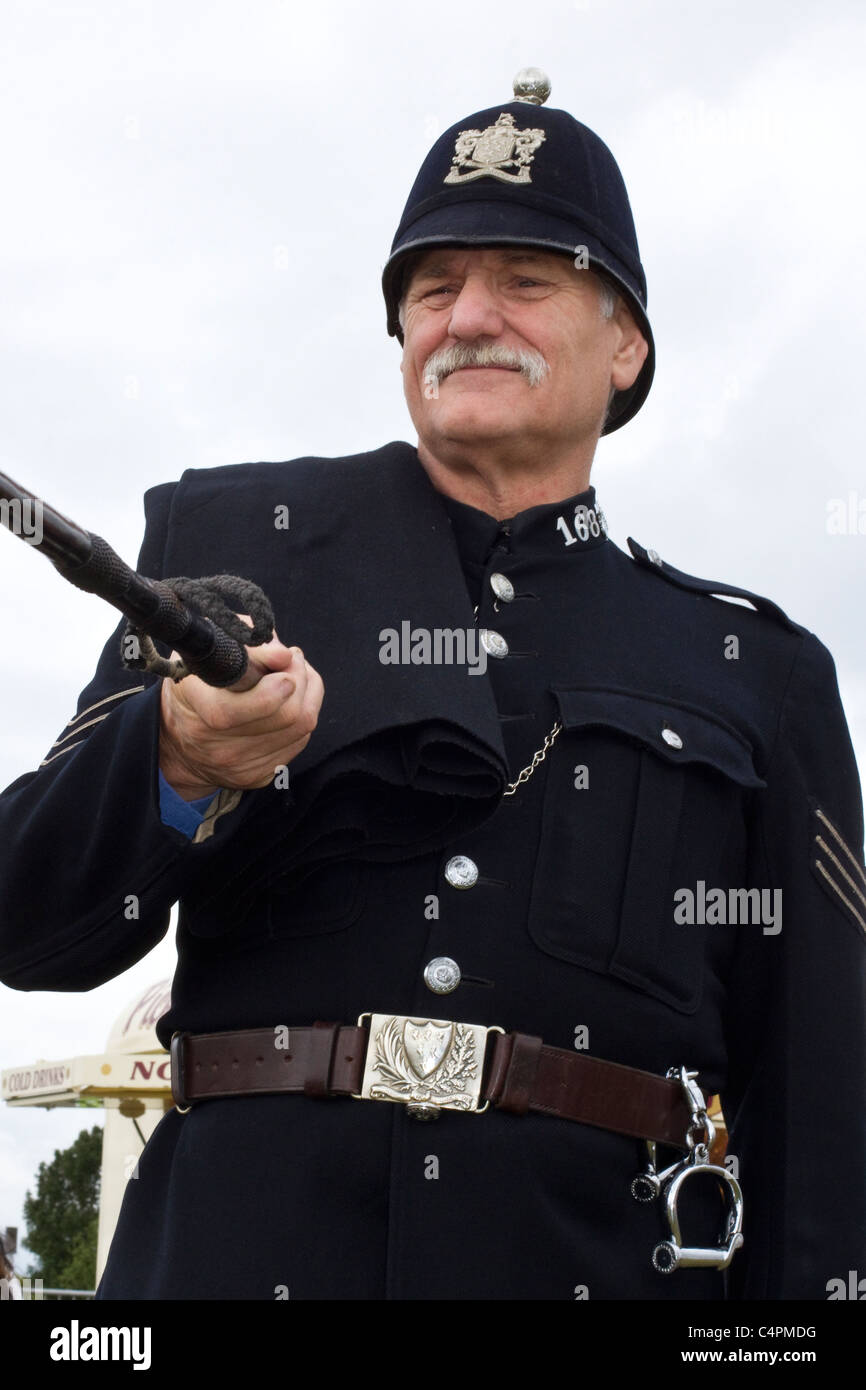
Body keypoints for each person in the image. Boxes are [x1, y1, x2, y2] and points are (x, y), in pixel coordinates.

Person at [0, 68, 864, 1301]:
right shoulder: (229, 560)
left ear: (625, 344)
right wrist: (179, 765)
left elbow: (817, 1112)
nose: (467, 316)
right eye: (431, 286)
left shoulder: (758, 674)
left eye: (525, 279)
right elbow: (25, 921)